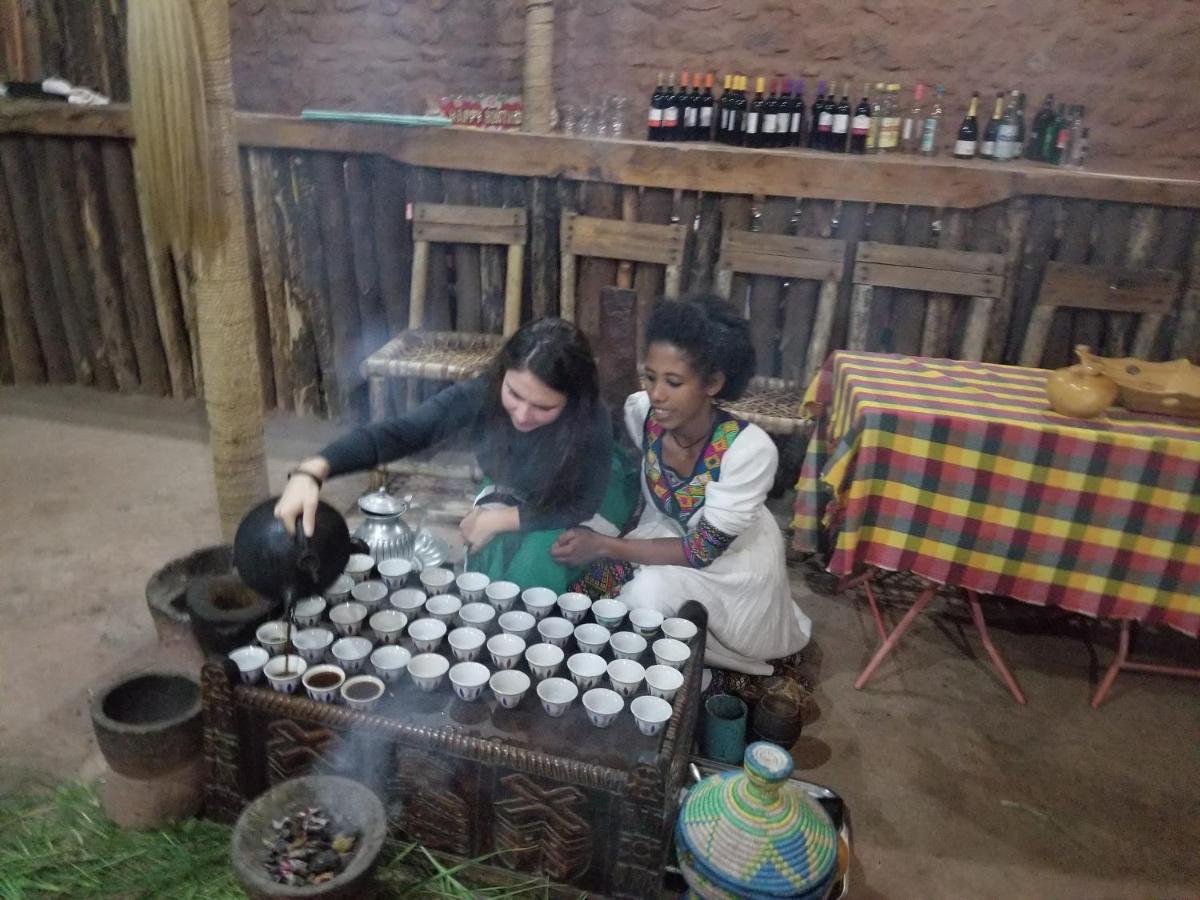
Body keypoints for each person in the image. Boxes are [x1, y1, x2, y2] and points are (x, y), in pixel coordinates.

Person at [276, 318, 639, 594]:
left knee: (540, 561)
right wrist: (314, 469)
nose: (523, 415)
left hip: (587, 495)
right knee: (487, 558)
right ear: (502, 377)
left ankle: (588, 597)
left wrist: (500, 519)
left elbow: (579, 504)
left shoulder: (589, 420)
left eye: (543, 407)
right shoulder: (482, 393)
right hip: (517, 484)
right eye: (515, 394)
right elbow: (404, 432)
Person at [551, 295, 812, 678]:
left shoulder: (748, 450)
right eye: (651, 376)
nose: (657, 394)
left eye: (674, 382)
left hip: (730, 562)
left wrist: (605, 544)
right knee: (585, 594)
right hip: (666, 534)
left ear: (713, 383)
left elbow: (703, 550)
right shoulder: (641, 412)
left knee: (644, 601)